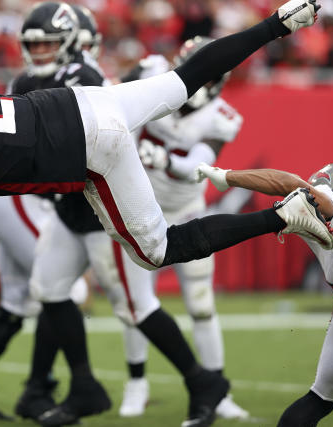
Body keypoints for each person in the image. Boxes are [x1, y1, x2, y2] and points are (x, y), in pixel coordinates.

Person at [0, 2, 330, 426]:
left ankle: (283, 217)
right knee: (184, 79)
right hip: (87, 103)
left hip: (90, 152)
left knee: (159, 251)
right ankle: (278, 22)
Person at [0, 3, 115, 423]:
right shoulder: (33, 80)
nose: (42, 51)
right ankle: (37, 389)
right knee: (63, 291)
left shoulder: (74, 74)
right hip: (21, 195)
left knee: (19, 300)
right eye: (35, 43)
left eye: (50, 42)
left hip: (24, 196)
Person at [117, 38, 248, 420]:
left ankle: (217, 390)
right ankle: (136, 382)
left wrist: (162, 157)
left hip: (187, 209)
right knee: (136, 306)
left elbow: (197, 167)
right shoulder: (151, 73)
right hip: (139, 208)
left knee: (202, 305)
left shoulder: (222, 117)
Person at [195, 163, 333, 427]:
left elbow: (285, 182)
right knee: (320, 398)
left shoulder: (328, 202)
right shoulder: (324, 205)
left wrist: (227, 177)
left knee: (318, 400)